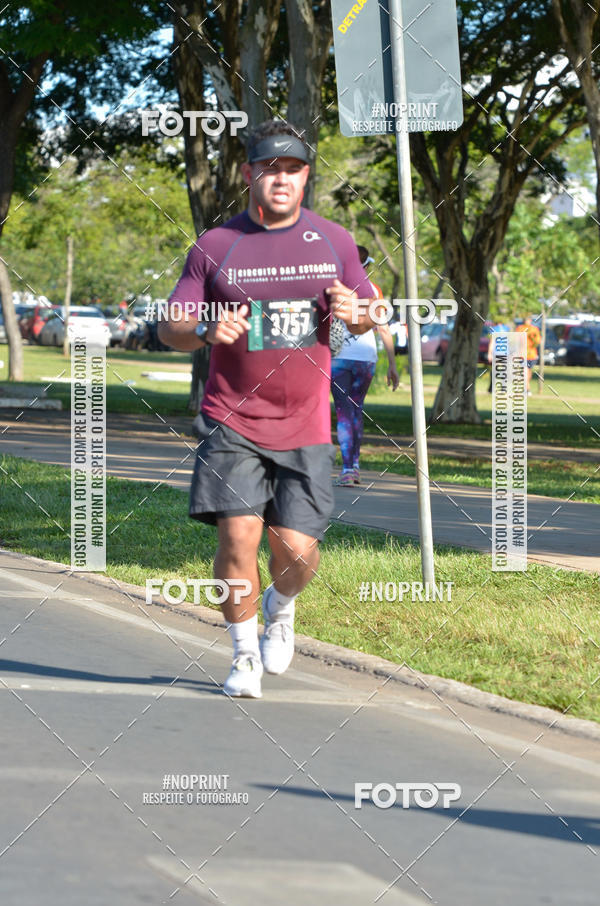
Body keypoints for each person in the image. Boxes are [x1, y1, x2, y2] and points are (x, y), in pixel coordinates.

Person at [158, 120, 377, 699]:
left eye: (293, 168)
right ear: (249, 173)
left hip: (305, 423)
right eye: (268, 168)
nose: (280, 178)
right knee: (236, 540)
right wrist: (206, 329)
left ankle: (281, 605)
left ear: (306, 176)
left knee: (297, 553)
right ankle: (243, 657)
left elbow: (372, 316)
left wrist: (354, 309)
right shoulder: (215, 246)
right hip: (231, 418)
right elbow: (171, 328)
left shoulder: (335, 241)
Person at [330, 246, 399, 486]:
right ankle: (353, 465)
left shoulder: (334, 287)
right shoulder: (374, 290)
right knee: (355, 410)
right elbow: (384, 328)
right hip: (366, 358)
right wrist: (392, 363)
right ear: (366, 266)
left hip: (339, 358)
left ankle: (350, 469)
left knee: (344, 413)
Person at [516, 315, 541, 394]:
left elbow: (538, 341)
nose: (527, 321)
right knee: (525, 370)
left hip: (532, 354)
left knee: (529, 372)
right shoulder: (520, 328)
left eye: (529, 320)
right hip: (522, 354)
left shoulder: (534, 329)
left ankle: (526, 386)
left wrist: (533, 338)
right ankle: (527, 389)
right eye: (526, 320)